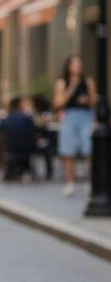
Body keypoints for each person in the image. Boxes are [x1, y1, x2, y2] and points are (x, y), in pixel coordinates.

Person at [53, 55, 95, 197]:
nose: (77, 67)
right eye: (74, 64)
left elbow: (94, 100)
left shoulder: (87, 82)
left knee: (88, 149)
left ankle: (90, 182)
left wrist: (87, 100)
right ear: (68, 66)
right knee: (68, 151)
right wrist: (69, 90)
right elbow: (57, 103)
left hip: (85, 116)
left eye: (79, 64)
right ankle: (70, 182)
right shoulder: (62, 83)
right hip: (69, 116)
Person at [0, 96, 38, 181]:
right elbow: (34, 131)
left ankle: (11, 171)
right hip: (27, 148)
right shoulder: (27, 118)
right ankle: (26, 171)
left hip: (10, 147)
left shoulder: (6, 118)